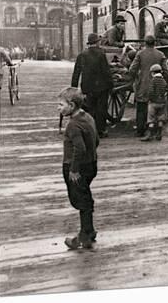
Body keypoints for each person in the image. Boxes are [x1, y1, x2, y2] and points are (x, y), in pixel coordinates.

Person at [57, 87, 99, 250]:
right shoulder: (88, 117)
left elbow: (79, 148)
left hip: (76, 168)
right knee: (85, 196)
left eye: (61, 105)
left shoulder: (73, 126)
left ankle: (83, 238)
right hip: (91, 165)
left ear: (72, 105)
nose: (58, 108)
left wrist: (74, 169)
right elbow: (96, 141)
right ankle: (89, 230)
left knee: (80, 200)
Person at [71, 33, 113, 138]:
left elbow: (76, 73)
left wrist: (74, 88)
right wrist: (110, 84)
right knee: (101, 109)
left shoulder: (82, 55)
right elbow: (106, 71)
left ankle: (90, 130)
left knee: (90, 109)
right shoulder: (101, 54)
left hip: (88, 87)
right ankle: (101, 130)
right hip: (101, 87)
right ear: (97, 43)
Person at [128, 35, 168, 137]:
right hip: (157, 87)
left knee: (141, 107)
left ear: (145, 43)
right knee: (156, 109)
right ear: (154, 43)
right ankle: (155, 129)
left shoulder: (140, 54)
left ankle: (140, 130)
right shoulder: (160, 54)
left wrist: (137, 78)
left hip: (143, 85)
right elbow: (167, 71)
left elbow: (132, 69)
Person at [141, 64, 168, 142]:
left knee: (151, 119)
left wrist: (150, 99)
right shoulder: (163, 81)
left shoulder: (153, 81)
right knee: (160, 118)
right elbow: (166, 90)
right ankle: (159, 134)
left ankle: (149, 135)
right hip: (162, 102)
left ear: (152, 73)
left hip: (153, 103)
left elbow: (151, 91)